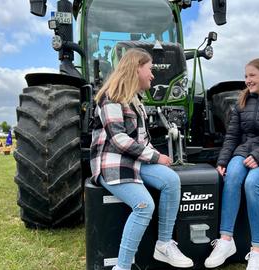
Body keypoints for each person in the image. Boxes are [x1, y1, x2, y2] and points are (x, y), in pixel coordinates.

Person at [90, 48, 193, 270]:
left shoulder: (136, 99)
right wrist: (155, 156)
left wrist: (157, 157)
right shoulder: (111, 97)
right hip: (114, 163)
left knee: (171, 181)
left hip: (134, 161)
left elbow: (141, 139)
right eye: (150, 69)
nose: (153, 75)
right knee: (144, 206)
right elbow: (118, 139)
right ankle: (123, 266)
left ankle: (164, 244)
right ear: (137, 68)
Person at [204, 58, 259, 270]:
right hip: (243, 153)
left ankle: (257, 251)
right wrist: (224, 160)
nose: (247, 81)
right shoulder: (242, 100)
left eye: (252, 75)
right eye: (246, 76)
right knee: (232, 177)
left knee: (252, 183)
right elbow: (233, 135)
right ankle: (226, 240)